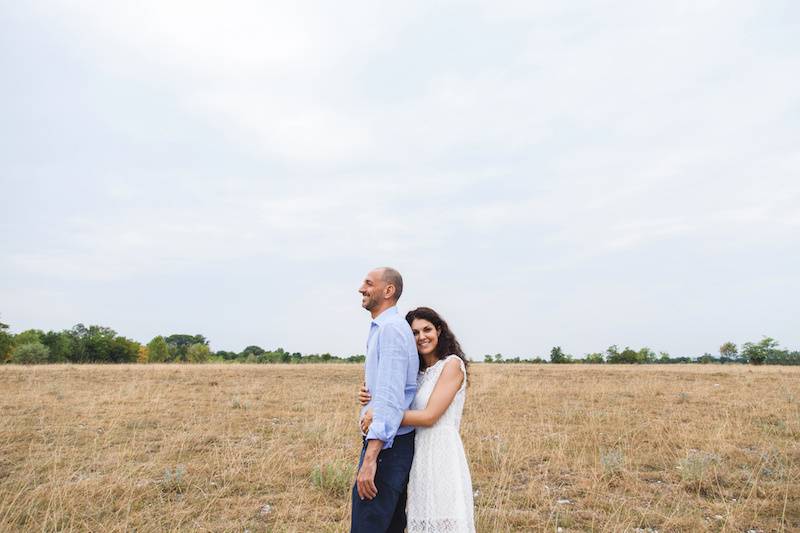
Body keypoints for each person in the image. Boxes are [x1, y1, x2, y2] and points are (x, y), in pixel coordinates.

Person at [360, 306, 475, 533]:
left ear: (439, 330)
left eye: (427, 329)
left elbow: (429, 416)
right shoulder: (417, 372)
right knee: (422, 518)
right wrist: (369, 397)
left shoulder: (451, 365)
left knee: (444, 518)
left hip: (442, 451)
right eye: (414, 332)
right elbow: (393, 396)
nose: (421, 337)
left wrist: (382, 415)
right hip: (418, 451)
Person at [351, 267, 420, 533]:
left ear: (388, 291)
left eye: (368, 283)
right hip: (390, 446)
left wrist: (371, 459)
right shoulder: (385, 328)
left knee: (368, 526)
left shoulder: (390, 329)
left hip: (386, 448)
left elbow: (391, 399)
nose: (361, 288)